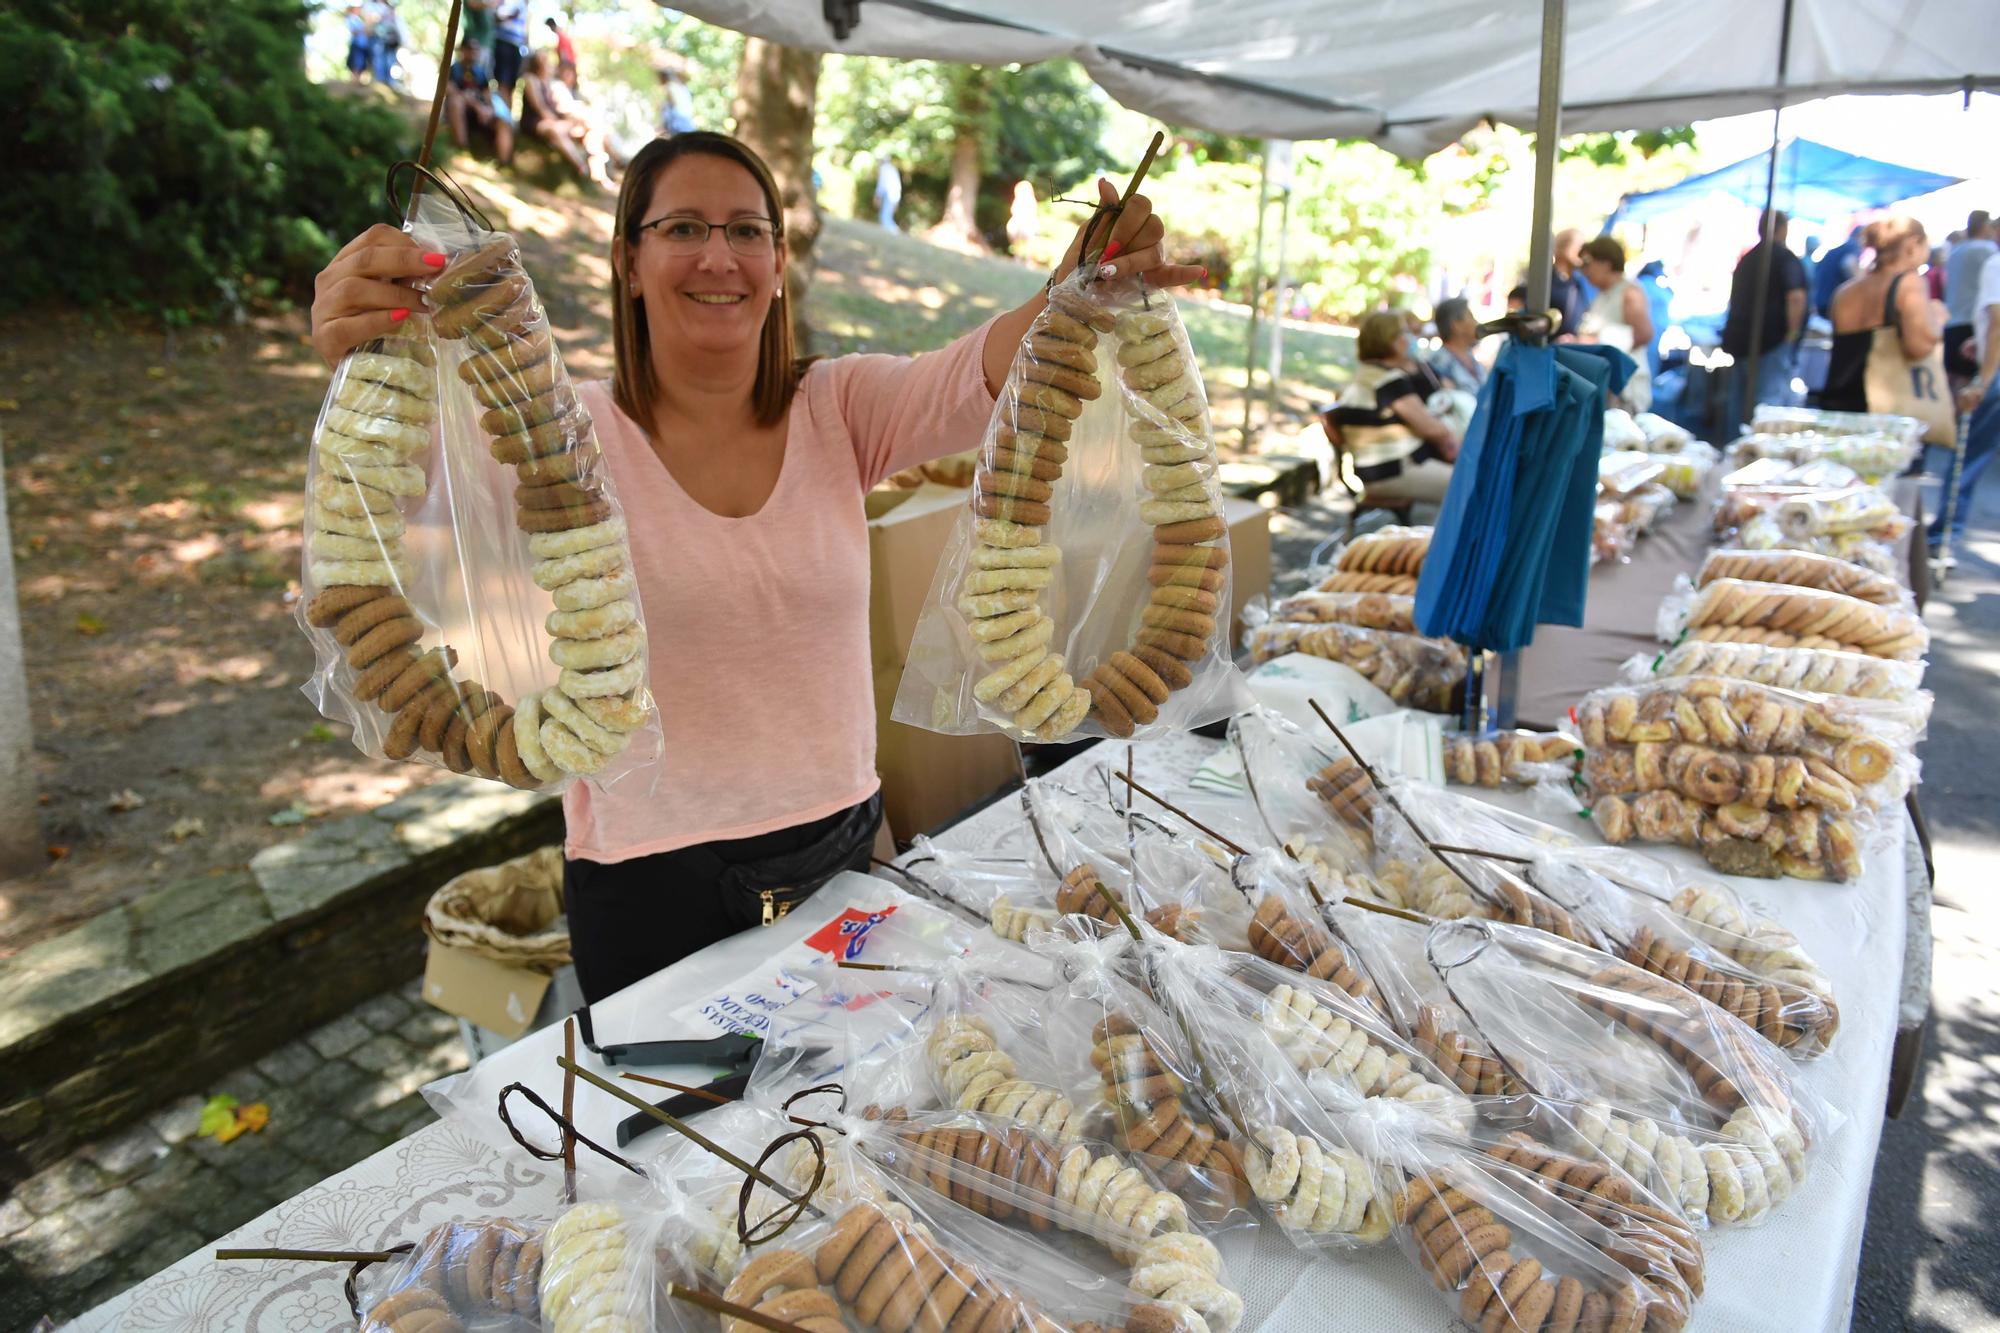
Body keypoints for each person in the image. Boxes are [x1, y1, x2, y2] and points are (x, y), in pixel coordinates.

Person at [306, 132, 1203, 1003]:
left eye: (747, 230)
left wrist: (1079, 282)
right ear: (627, 261)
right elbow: (384, 491)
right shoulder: (554, 438)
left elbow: (988, 369)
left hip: (841, 848)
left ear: (779, 264)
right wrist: (365, 346)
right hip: (647, 882)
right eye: (684, 228)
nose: (719, 256)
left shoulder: (839, 408)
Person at [1333, 310, 1461, 507]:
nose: (1409, 338)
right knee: (1471, 486)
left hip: (1380, 469)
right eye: (1403, 333)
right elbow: (1432, 429)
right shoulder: (1388, 380)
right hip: (1392, 471)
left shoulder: (1369, 374)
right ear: (1389, 341)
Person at [1818, 215, 1939, 414]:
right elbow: (1918, 348)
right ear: (1913, 243)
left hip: (1839, 402)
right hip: (1884, 410)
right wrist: (1937, 320)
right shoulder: (1910, 284)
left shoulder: (1845, 291)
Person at [1939, 240, 2000, 552]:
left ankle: (1942, 537)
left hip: (1995, 372)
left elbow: (1997, 322)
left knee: (1969, 456)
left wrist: (1984, 378)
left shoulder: (1994, 263)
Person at [1721, 210, 1808, 425]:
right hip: (1770, 340)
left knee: (1742, 403)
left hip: (1745, 338)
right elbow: (1796, 297)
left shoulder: (1748, 259)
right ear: (1781, 229)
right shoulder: (1783, 258)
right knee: (1767, 404)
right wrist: (1792, 333)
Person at [1576, 235, 1655, 410]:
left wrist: (1595, 342)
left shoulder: (1629, 293)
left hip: (1625, 389)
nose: (1584, 271)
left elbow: (1644, 333)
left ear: (1605, 262)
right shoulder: (1604, 294)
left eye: (1587, 263)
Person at [518, 50, 599, 185]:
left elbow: (560, 107)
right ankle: (579, 165)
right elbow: (539, 107)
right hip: (535, 122)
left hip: (552, 121)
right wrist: (559, 122)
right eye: (543, 59)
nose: (547, 62)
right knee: (555, 130)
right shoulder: (530, 79)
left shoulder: (550, 83)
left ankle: (594, 165)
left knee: (584, 125)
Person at [1944, 210, 1997, 381]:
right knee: (1976, 385)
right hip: (1972, 323)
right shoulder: (1989, 253)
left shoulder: (1955, 251)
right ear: (1985, 226)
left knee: (1958, 381)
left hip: (1952, 322)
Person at [549, 60, 621, 186]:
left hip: (577, 126)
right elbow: (563, 109)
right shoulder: (558, 87)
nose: (569, 76)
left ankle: (599, 174)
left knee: (595, 135)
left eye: (570, 73)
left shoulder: (571, 90)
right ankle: (607, 166)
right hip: (565, 124)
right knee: (597, 131)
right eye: (566, 72)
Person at [445, 38, 514, 165]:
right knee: (456, 102)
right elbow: (452, 92)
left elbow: (488, 95)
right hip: (461, 111)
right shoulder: (453, 69)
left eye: (476, 50)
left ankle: (503, 163)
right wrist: (477, 106)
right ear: (462, 50)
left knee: (503, 121)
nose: (474, 53)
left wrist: (490, 110)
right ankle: (461, 148)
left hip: (481, 115)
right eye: (470, 49)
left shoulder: (481, 72)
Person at [1426, 297, 1486, 394]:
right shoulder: (1439, 362)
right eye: (1471, 316)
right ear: (1457, 325)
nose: (1476, 322)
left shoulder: (1469, 356)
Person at [1548, 228, 1595, 337]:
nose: (1583, 254)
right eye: (1579, 246)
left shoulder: (1580, 282)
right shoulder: (1546, 281)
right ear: (1560, 248)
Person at [1812, 226, 1863, 319]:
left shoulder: (1836, 250)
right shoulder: (1853, 246)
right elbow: (1848, 264)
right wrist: (1863, 284)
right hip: (1833, 302)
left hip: (1821, 301)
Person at [492, 1, 530, 112]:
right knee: (503, 81)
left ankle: (507, 114)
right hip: (503, 42)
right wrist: (511, 16)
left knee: (512, 83)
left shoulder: (522, 3)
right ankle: (503, 116)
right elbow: (495, 17)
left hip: (517, 45)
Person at [369, 0, 404, 89]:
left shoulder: (392, 14)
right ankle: (381, 80)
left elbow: (398, 28)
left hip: (391, 41)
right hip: (381, 39)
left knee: (390, 60)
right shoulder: (375, 7)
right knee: (381, 59)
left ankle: (389, 81)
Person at [658, 58, 696, 136]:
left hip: (679, 120)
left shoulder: (670, 86)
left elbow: (673, 103)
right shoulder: (682, 87)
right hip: (687, 120)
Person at [1006, 179, 1039, 255]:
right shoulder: (1017, 200)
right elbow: (1013, 210)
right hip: (1018, 222)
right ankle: (1017, 254)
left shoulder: (1031, 200)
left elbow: (1032, 214)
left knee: (1030, 233)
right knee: (1012, 228)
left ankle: (1028, 257)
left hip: (1028, 223)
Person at [344, 4, 374, 83]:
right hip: (356, 43)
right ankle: (355, 79)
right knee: (356, 61)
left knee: (362, 62)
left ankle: (359, 79)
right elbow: (354, 31)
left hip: (363, 44)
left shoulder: (358, 19)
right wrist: (364, 28)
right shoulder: (350, 18)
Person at [874, 156, 902, 232]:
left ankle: (894, 231)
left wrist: (877, 195)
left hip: (889, 193)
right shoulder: (892, 168)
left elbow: (882, 184)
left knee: (885, 216)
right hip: (895, 193)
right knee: (887, 214)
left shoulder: (884, 168)